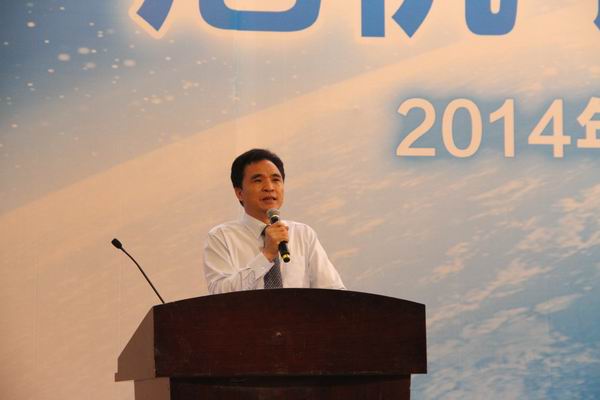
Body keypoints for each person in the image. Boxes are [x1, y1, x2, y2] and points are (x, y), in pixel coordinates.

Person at [203, 148, 345, 294]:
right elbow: (219, 294)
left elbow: (334, 292)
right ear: (239, 193)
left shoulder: (303, 234)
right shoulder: (221, 237)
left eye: (276, 180)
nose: (269, 187)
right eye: (258, 180)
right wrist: (267, 255)